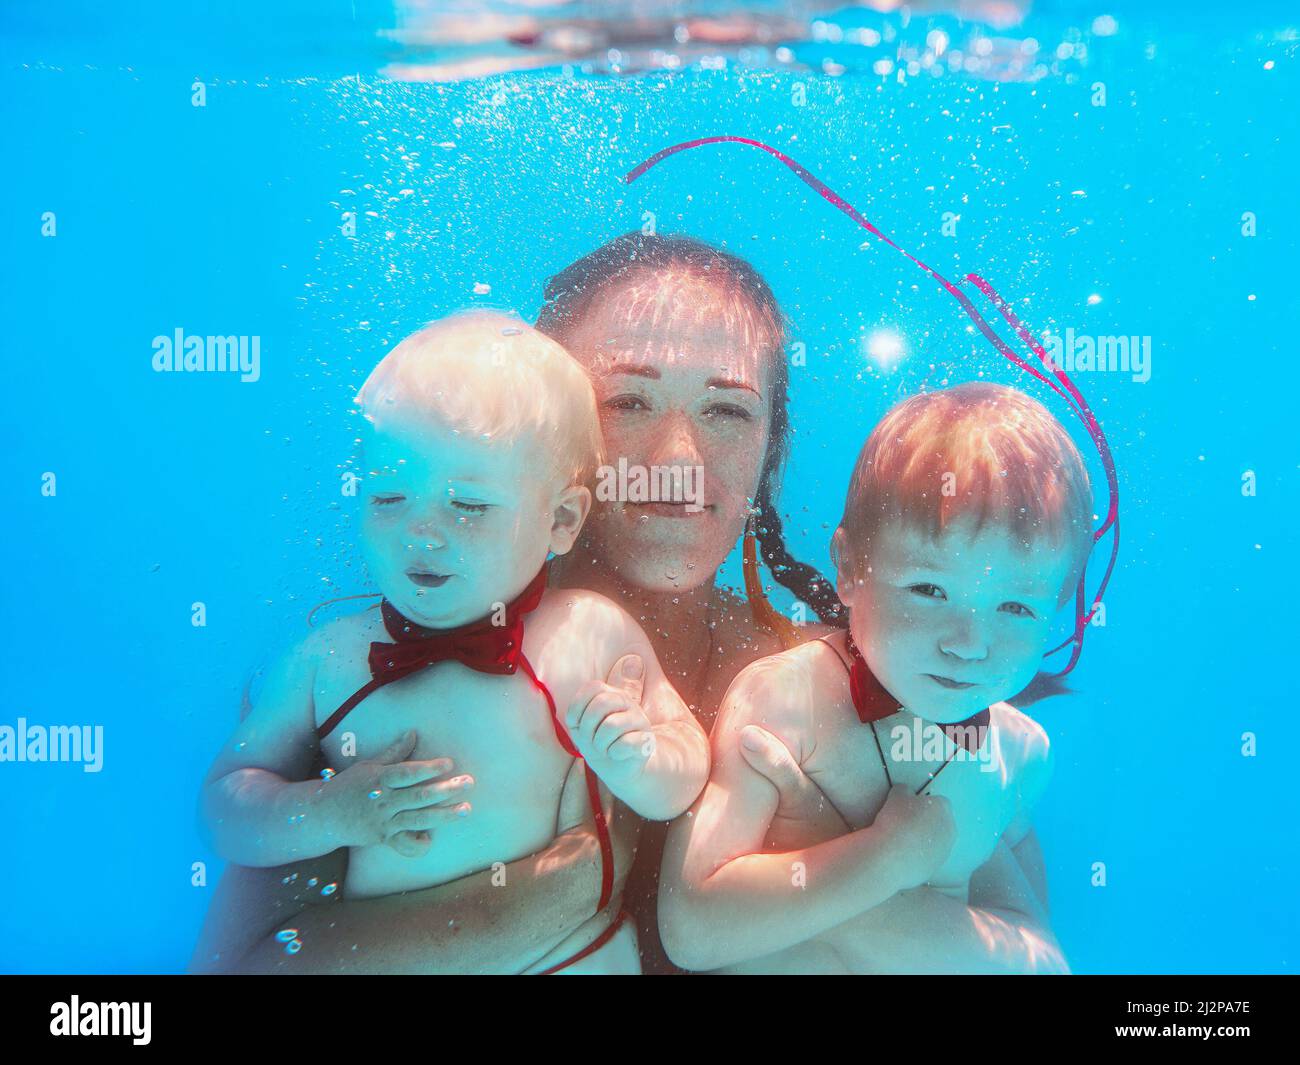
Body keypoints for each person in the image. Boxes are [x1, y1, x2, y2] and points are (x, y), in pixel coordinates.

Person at [197, 312, 708, 973]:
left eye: (467, 505)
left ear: (561, 519)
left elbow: (683, 773)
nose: (422, 532)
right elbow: (223, 807)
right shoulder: (328, 660)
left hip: (570, 957)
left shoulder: (588, 629)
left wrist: (640, 761)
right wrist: (325, 811)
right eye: (388, 498)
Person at [659, 383, 1081, 973]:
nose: (969, 644)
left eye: (1016, 608)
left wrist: (852, 870)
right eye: (929, 590)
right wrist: (886, 860)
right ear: (851, 568)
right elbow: (692, 929)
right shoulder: (786, 702)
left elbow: (1040, 963)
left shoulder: (1018, 754)